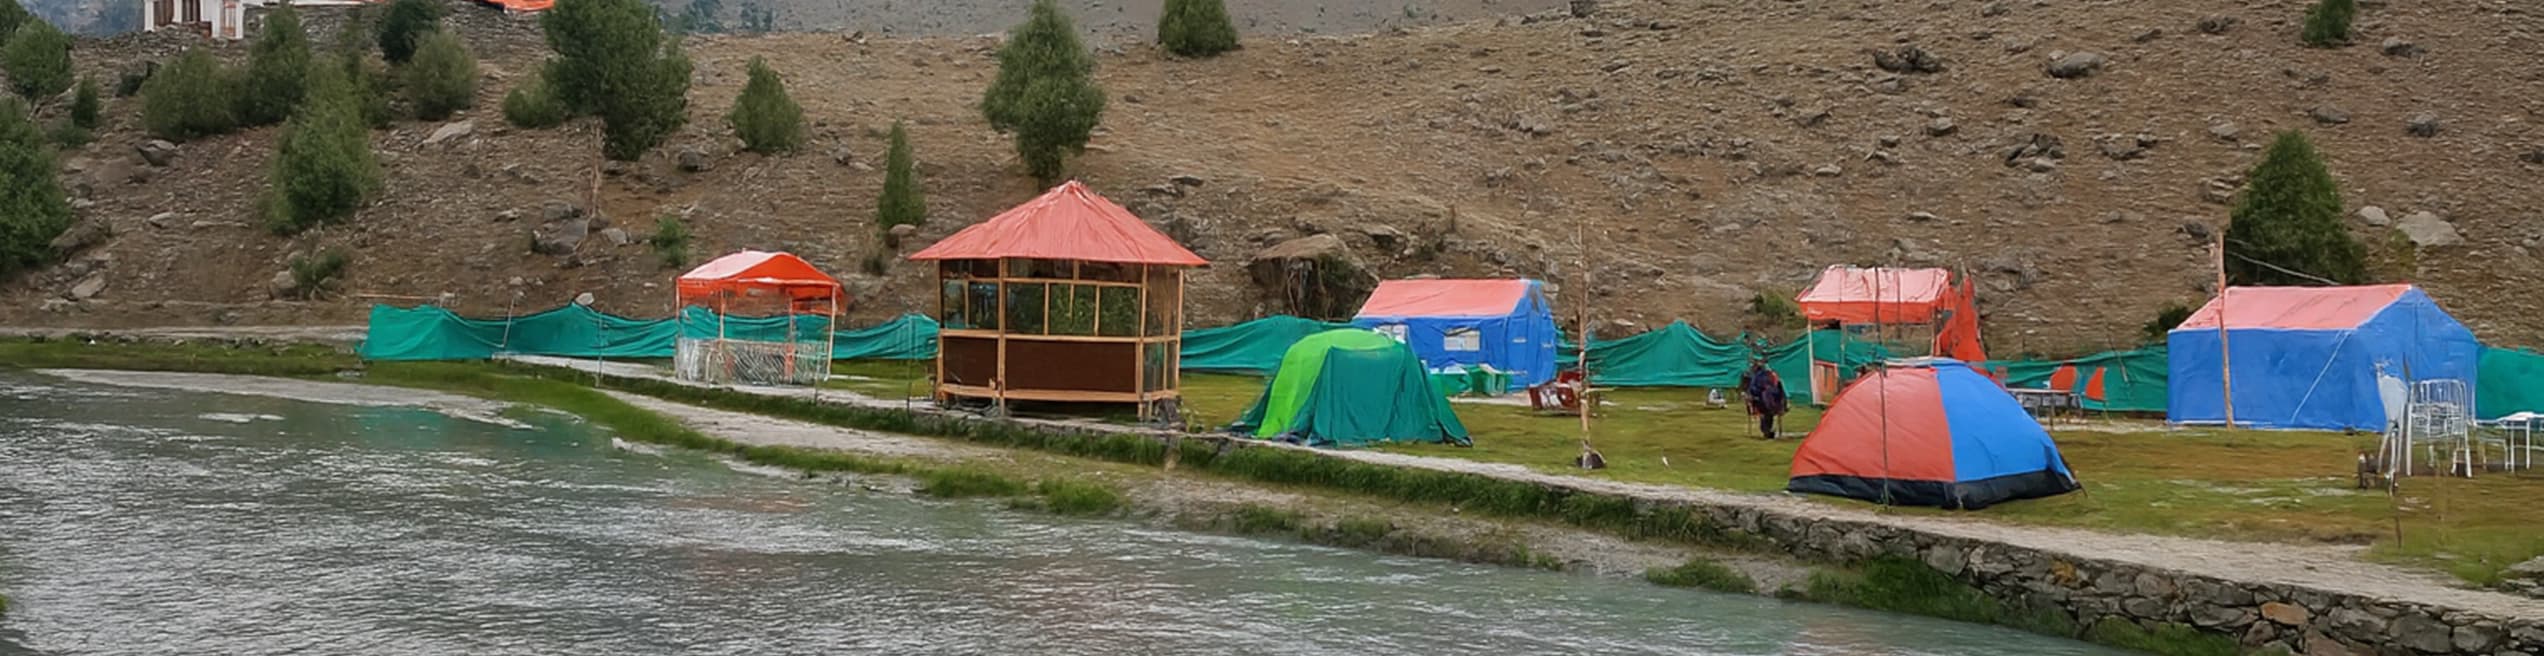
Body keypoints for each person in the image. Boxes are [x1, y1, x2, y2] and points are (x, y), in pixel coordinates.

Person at [1742, 359, 1788, 439]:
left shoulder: (1768, 376)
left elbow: (1775, 389)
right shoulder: (1757, 377)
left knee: (1766, 409)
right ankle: (1767, 431)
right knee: (1766, 409)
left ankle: (1767, 431)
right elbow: (1753, 390)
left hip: (1766, 401)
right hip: (1763, 401)